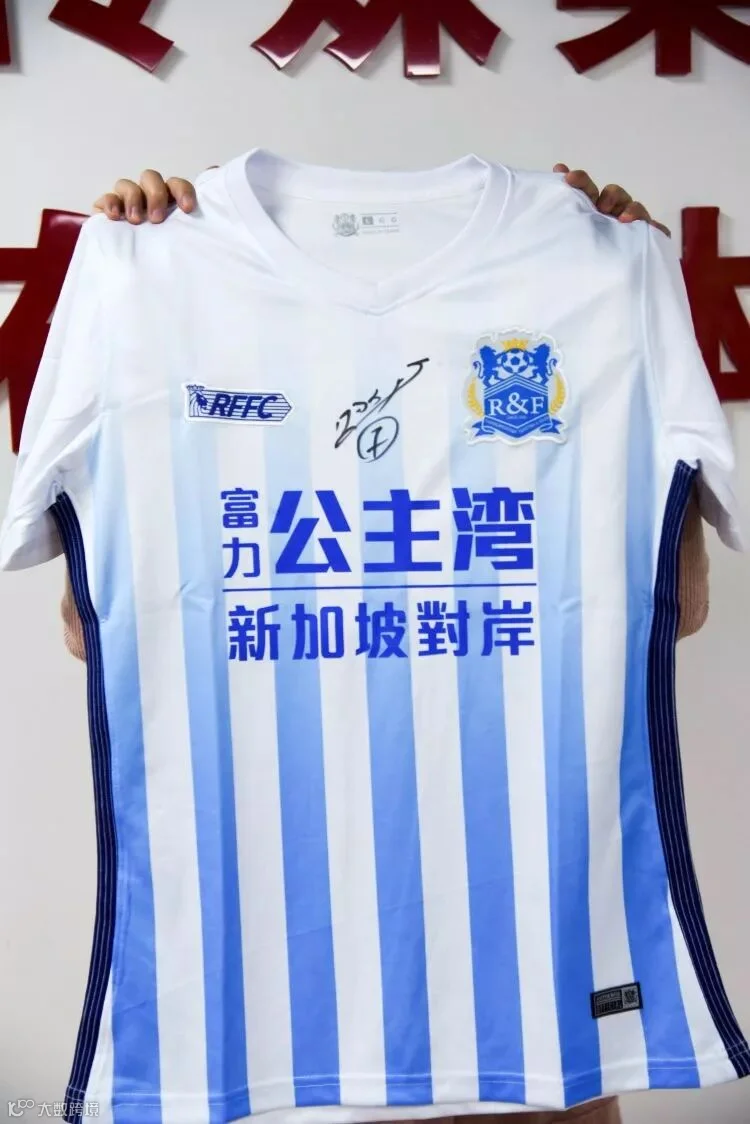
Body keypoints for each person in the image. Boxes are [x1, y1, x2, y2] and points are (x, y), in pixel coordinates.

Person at [58, 161, 710, 1124]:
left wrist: (623, 282)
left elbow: (669, 603)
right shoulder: (132, 274)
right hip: (381, 1043)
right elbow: (99, 625)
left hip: (451, 1057)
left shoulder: (610, 272)